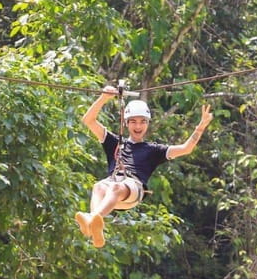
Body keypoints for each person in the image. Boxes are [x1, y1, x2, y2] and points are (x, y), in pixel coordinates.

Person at [75, 85, 213, 248]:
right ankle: (94, 228)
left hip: (133, 189)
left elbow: (186, 148)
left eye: (142, 122)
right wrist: (103, 98)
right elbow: (88, 120)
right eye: (133, 122)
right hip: (113, 188)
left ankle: (92, 219)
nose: (138, 126)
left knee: (115, 188)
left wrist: (201, 126)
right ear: (126, 123)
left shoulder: (153, 150)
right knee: (98, 186)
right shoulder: (114, 142)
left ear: (147, 124)